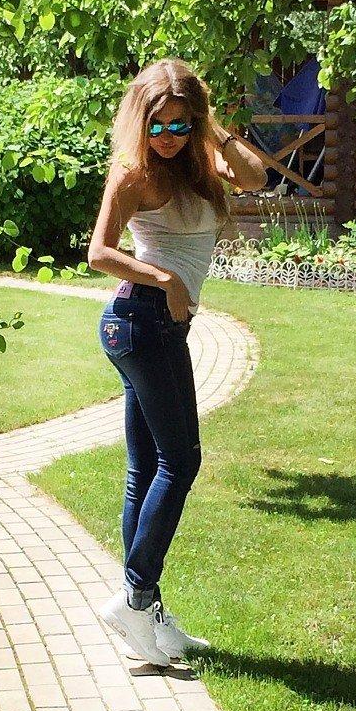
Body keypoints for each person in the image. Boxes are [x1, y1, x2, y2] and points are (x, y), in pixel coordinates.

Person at [88, 58, 268, 667]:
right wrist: (165, 279)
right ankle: (135, 599)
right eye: (157, 125)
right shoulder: (133, 172)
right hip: (143, 322)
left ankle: (150, 617)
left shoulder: (202, 163)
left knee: (146, 469)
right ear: (140, 122)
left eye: (180, 125)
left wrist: (211, 130)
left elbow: (257, 177)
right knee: (181, 460)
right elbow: (99, 252)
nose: (167, 137)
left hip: (151, 328)